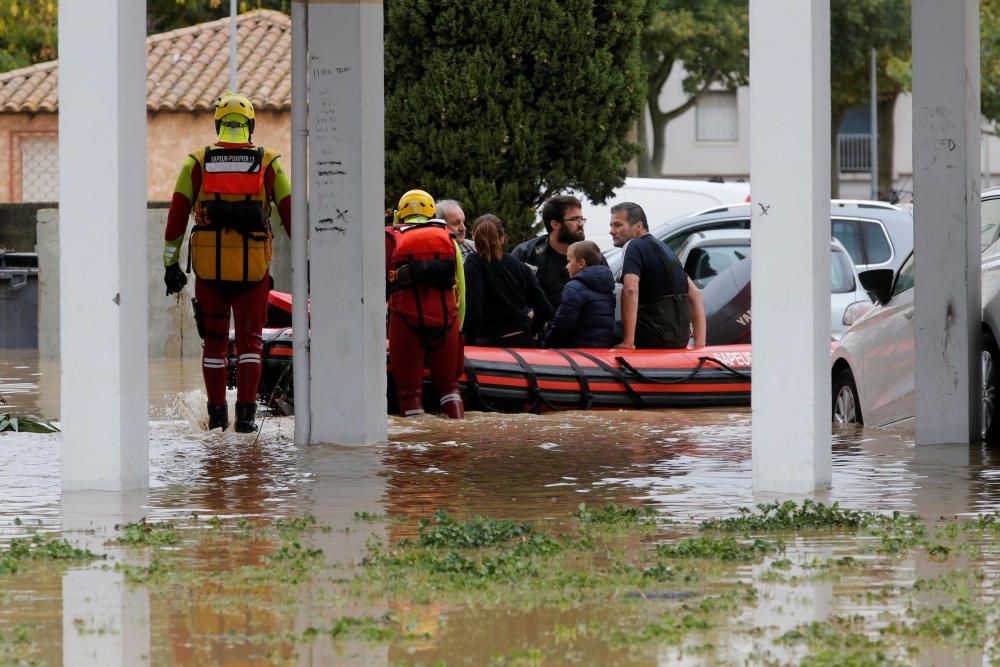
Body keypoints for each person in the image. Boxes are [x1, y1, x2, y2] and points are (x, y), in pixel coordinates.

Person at [162, 92, 291, 433]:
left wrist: (169, 265)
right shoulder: (270, 163)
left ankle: (217, 417)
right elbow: (295, 220)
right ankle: (246, 418)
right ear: (250, 125)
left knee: (214, 343)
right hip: (253, 270)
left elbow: (175, 220)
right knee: (250, 341)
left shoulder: (195, 162)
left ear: (218, 123)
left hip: (210, 271)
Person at [386, 189, 466, 418]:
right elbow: (461, 287)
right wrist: (458, 327)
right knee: (449, 389)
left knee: (409, 394)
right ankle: (457, 434)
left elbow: (376, 286)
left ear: (400, 214)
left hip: (405, 323)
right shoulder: (448, 239)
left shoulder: (391, 238)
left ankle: (416, 450)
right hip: (446, 322)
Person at [608, 202, 706, 350]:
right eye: (611, 225)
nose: (611, 231)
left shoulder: (633, 245)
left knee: (598, 330)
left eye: (617, 225)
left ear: (638, 226)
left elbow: (630, 289)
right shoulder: (665, 249)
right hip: (678, 339)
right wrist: (699, 345)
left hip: (652, 336)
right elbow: (695, 294)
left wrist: (628, 343)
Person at [463, 215, 553, 347]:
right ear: (503, 237)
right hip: (523, 341)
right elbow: (545, 308)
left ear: (474, 237)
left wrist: (469, 342)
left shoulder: (473, 263)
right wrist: (531, 330)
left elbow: (473, 307)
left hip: (490, 344)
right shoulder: (520, 267)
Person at [511, 195, 594, 309]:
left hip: (580, 325)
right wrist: (528, 313)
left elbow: (606, 296)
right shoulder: (526, 254)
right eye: (574, 219)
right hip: (537, 325)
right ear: (555, 224)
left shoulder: (591, 255)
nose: (581, 224)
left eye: (581, 219)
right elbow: (508, 292)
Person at [545, 240, 616, 348]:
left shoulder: (573, 288)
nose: (566, 266)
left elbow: (563, 322)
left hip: (577, 351)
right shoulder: (607, 287)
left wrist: (549, 342)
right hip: (601, 350)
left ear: (581, 263)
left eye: (569, 261)